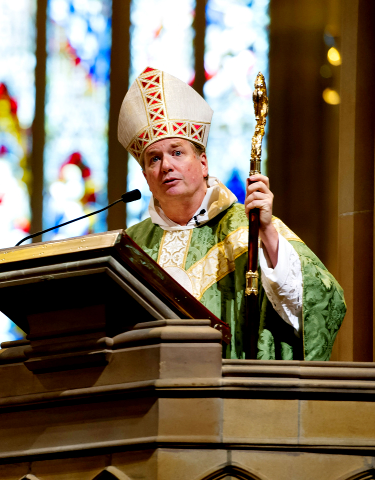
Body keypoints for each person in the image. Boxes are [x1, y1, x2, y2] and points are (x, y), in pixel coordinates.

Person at [119, 67, 345, 360]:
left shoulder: (249, 226)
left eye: (177, 152)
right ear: (146, 176)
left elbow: (324, 300)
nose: (166, 166)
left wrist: (268, 235)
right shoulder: (131, 245)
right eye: (154, 158)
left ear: (203, 163)